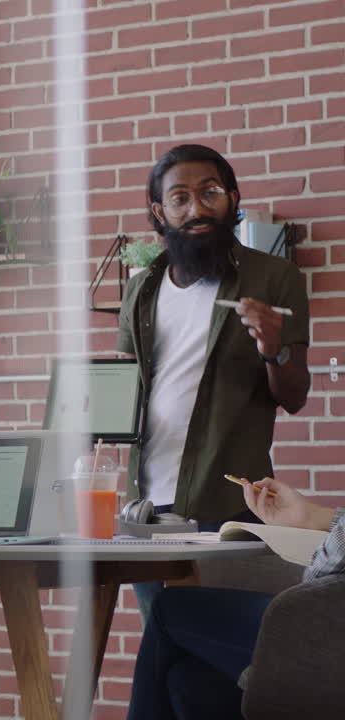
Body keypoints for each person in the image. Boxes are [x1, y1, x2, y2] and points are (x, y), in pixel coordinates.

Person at [117, 144, 310, 619]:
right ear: (160, 213)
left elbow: (296, 396)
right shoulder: (141, 288)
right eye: (180, 198)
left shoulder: (274, 276)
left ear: (233, 198)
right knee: (163, 648)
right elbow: (125, 389)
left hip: (227, 504)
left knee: (219, 652)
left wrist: (274, 348)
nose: (197, 208)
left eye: (210, 193)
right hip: (145, 509)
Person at [126, 475, 345, 720]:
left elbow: (328, 566)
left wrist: (309, 588)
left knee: (167, 608)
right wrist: (312, 516)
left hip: (328, 636)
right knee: (187, 679)